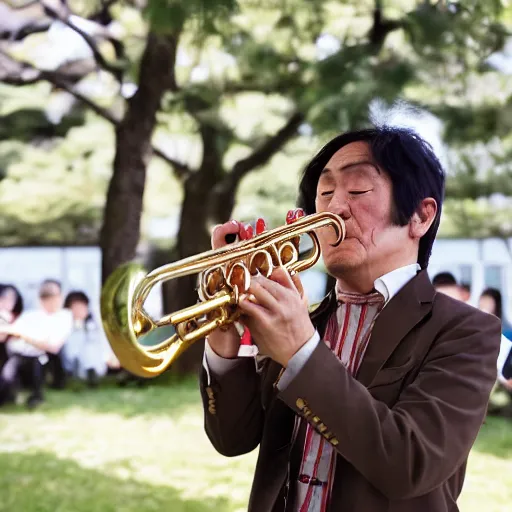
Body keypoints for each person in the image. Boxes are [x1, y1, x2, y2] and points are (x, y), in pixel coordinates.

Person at [199, 127, 501, 512]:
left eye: (357, 190)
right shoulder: (305, 321)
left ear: (421, 216)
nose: (333, 208)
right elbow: (233, 440)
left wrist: (301, 352)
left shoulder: (469, 331)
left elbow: (410, 463)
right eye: (324, 194)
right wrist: (224, 342)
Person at [0, 279, 73, 408]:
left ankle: (36, 396)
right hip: (18, 356)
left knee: (37, 365)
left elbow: (53, 347)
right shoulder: (31, 315)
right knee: (7, 376)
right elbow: (8, 332)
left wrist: (24, 336)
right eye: (46, 298)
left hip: (43, 359)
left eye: (53, 297)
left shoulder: (64, 317)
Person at [61, 291, 117, 387]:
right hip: (72, 362)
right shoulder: (65, 326)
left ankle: (92, 374)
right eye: (75, 308)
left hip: (96, 362)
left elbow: (102, 344)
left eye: (81, 307)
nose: (79, 311)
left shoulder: (93, 326)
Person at [478, 287, 512, 390]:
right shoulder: (475, 333)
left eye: (488, 304)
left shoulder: (507, 335)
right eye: (482, 304)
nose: (484, 309)